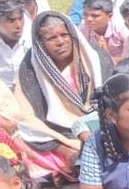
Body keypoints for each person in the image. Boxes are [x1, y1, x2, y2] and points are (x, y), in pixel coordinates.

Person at [14, 12, 112, 165]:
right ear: (40, 42)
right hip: (57, 132)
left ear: (72, 34)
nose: (60, 42)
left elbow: (113, 97)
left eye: (64, 35)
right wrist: (63, 149)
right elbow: (27, 115)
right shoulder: (30, 65)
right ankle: (69, 157)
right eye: (51, 38)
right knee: (22, 141)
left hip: (99, 121)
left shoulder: (95, 56)